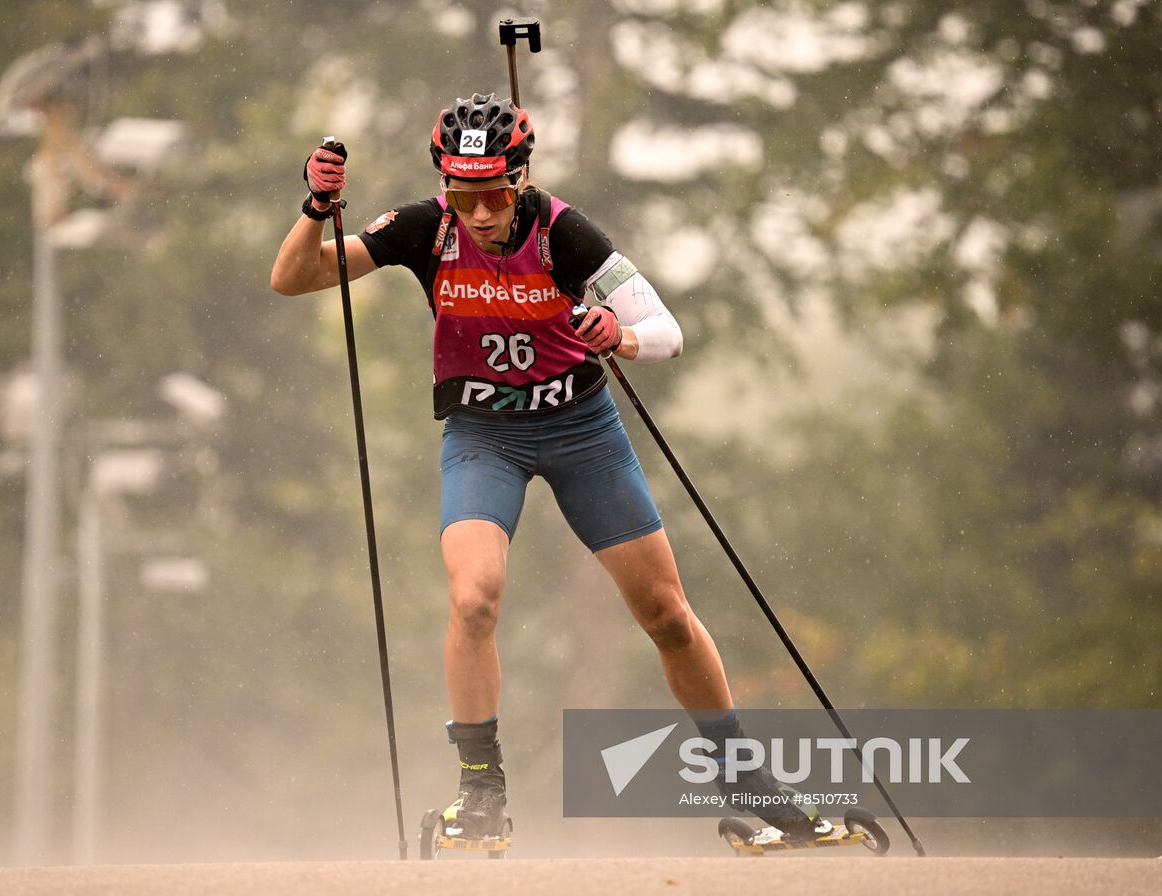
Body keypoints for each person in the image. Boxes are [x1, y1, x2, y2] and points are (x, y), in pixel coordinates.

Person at [270, 93, 827, 844]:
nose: (482, 213)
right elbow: (296, 278)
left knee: (664, 612)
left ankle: (747, 781)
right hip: (484, 435)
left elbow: (667, 329)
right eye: (465, 195)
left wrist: (619, 336)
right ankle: (481, 791)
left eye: (496, 193)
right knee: (473, 599)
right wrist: (316, 205)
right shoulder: (422, 229)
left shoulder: (565, 232)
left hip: (580, 430)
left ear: (523, 177)